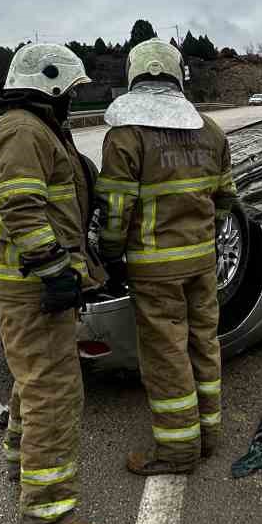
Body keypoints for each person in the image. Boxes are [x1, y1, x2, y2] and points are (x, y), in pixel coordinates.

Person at [0, 42, 104, 524]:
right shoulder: (24, 132)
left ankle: (20, 461)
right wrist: (54, 269)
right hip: (31, 285)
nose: (73, 100)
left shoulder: (35, 129)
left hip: (30, 282)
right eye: (71, 91)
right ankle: (47, 515)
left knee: (36, 380)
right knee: (55, 392)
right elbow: (21, 207)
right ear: (51, 87)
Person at [96, 39, 237, 475]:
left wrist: (111, 255)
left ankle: (177, 450)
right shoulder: (211, 131)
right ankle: (208, 434)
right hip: (202, 262)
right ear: (179, 75)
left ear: (133, 75)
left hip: (154, 268)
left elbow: (116, 210)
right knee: (204, 343)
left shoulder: (125, 135)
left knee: (166, 354)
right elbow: (227, 200)